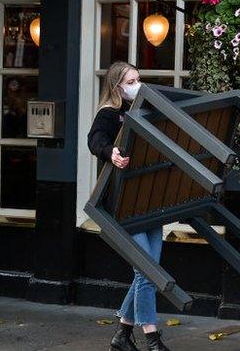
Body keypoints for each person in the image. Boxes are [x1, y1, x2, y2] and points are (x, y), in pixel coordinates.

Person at [87, 62, 171, 351]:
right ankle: (152, 338)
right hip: (122, 204)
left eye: (138, 78)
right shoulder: (109, 114)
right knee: (146, 271)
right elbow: (95, 139)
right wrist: (110, 152)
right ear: (117, 87)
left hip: (149, 199)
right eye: (130, 81)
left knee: (150, 269)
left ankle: (122, 335)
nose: (136, 84)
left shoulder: (145, 110)